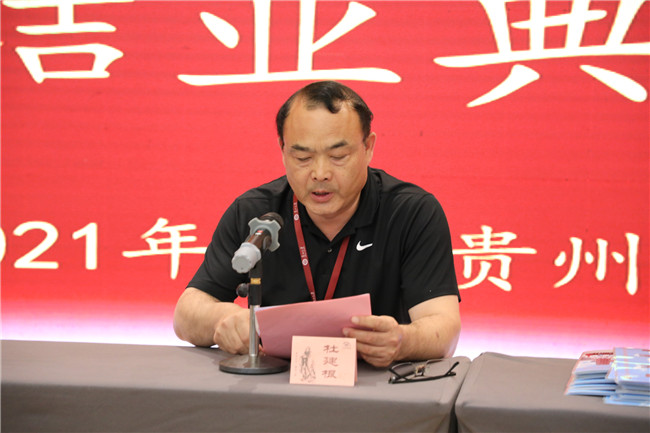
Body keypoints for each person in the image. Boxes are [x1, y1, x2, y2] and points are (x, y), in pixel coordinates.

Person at [174, 81, 460, 368]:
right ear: (282, 149)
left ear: (368, 147)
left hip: (378, 385)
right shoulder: (255, 213)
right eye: (303, 157)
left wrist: (402, 340)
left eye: (338, 157)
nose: (320, 173)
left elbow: (444, 329)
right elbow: (186, 314)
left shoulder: (411, 212)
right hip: (275, 384)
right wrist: (223, 319)